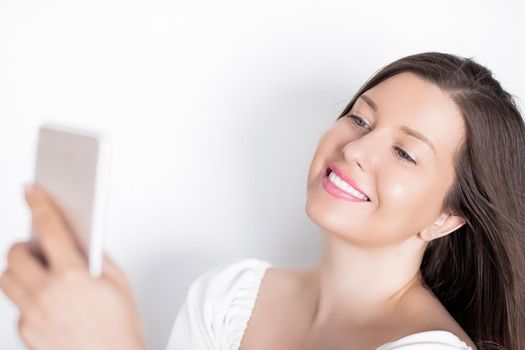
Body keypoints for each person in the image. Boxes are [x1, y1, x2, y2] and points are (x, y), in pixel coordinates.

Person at [1, 52, 523, 350]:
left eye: (405, 153)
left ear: (448, 216)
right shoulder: (229, 297)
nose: (357, 148)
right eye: (359, 118)